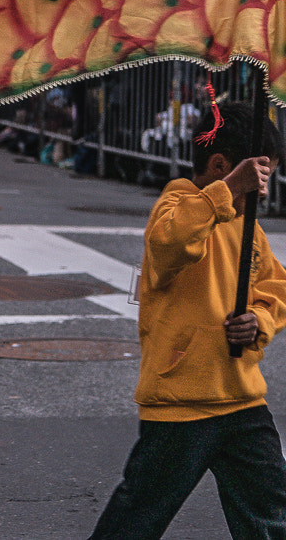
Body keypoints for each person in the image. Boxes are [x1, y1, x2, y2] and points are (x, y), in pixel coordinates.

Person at [89, 101, 286, 539]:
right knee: (137, 517)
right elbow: (170, 243)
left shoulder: (248, 224)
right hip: (181, 402)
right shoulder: (177, 202)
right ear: (221, 165)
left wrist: (258, 319)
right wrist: (226, 191)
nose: (266, 188)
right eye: (262, 173)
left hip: (241, 398)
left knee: (271, 513)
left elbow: (275, 288)